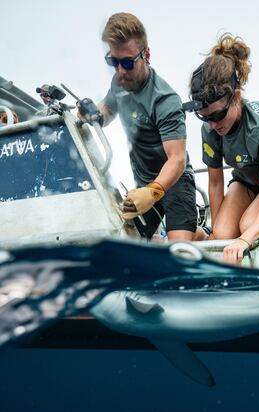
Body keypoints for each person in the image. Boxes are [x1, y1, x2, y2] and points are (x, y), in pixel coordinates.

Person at [183, 34, 259, 264]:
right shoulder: (210, 129)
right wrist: (218, 238)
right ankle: (202, 236)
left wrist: (245, 240)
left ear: (236, 97)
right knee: (225, 233)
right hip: (245, 182)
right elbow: (216, 184)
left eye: (218, 115)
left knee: (248, 226)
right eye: (204, 117)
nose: (213, 125)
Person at [98, 12, 200, 241]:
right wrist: (91, 114)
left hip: (175, 181)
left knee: (178, 251)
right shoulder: (119, 82)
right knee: (125, 245)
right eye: (113, 62)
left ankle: (200, 235)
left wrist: (152, 192)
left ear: (147, 55)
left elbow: (177, 159)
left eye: (127, 63)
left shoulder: (165, 100)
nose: (120, 71)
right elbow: (107, 110)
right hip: (141, 182)